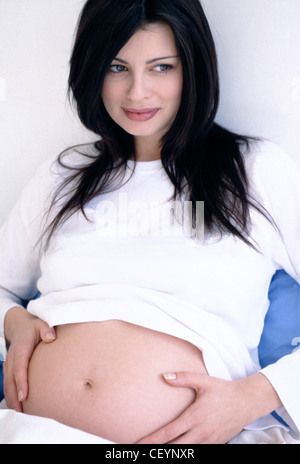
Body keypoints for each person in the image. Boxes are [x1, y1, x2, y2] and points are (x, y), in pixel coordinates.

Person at [0, 0, 299, 444]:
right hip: (28, 431)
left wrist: (256, 395)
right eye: (117, 68)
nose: (137, 93)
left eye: (161, 68)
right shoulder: (63, 175)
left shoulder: (255, 171)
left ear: (193, 69)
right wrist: (12, 319)